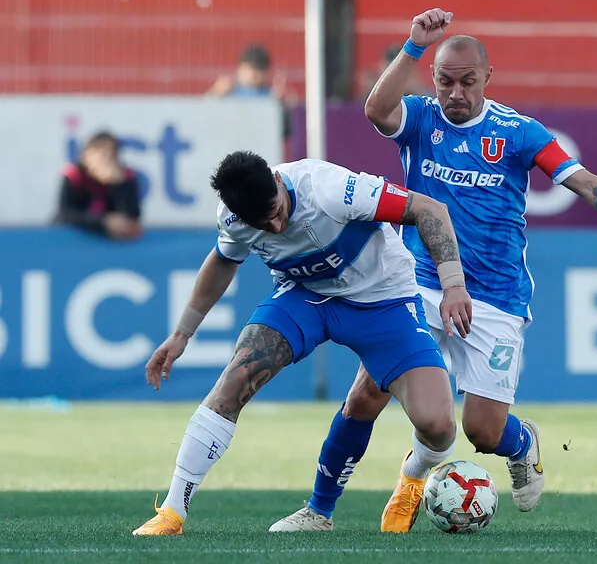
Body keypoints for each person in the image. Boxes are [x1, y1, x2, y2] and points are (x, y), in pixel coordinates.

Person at [269, 8, 597, 535]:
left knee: (482, 431)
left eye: (467, 82)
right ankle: (320, 511)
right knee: (366, 393)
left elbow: (586, 183)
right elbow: (376, 109)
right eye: (446, 81)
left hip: (496, 295)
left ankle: (518, 445)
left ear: (486, 79)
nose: (456, 93)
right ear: (434, 79)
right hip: (419, 282)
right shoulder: (420, 119)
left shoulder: (517, 132)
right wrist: (412, 46)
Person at [132, 150, 473, 535]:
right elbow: (224, 260)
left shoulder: (332, 190)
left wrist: (453, 285)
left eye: (276, 211)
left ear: (278, 181)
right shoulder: (233, 218)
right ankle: (174, 512)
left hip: (384, 300)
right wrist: (182, 335)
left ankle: (413, 475)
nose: (276, 227)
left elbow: (430, 210)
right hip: (305, 298)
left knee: (438, 425)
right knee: (235, 378)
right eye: (263, 224)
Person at [53, 131, 142, 240]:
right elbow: (65, 213)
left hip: (109, 245)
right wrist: (103, 221)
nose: (106, 161)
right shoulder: (74, 176)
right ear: (86, 157)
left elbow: (132, 219)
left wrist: (118, 184)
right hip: (72, 239)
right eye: (101, 155)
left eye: (111, 155)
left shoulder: (125, 178)